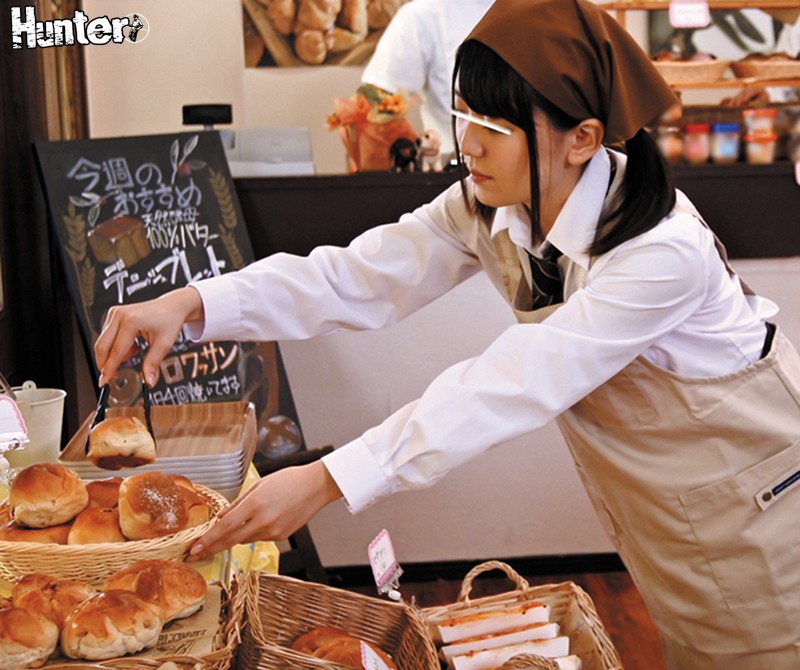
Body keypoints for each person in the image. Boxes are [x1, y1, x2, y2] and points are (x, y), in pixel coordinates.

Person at [94, 0, 800, 667]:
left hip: (759, 517)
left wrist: (327, 479)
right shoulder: (492, 204)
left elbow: (512, 381)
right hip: (667, 519)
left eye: (496, 126)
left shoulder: (661, 255)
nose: (469, 144)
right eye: (463, 114)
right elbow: (356, 276)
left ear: (583, 138)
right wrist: (193, 302)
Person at [361, 0, 495, 156]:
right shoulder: (422, 15)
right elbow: (375, 101)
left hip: (518, 164)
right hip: (452, 162)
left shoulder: (520, 11)